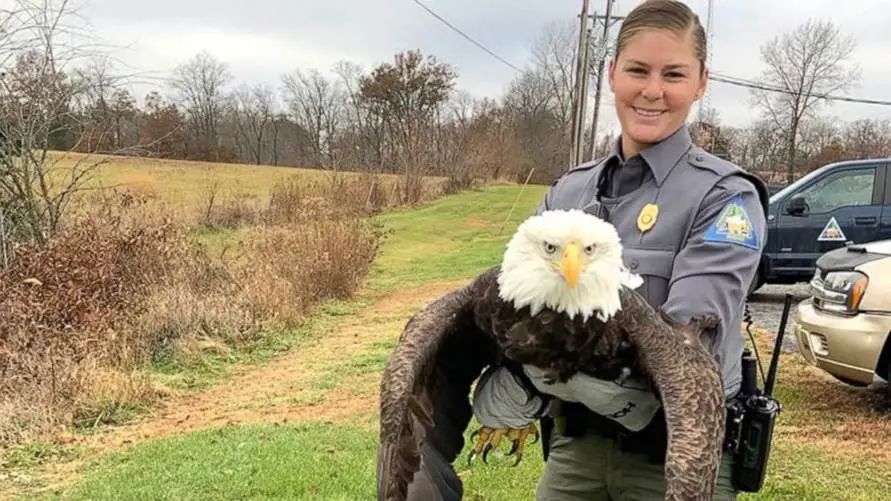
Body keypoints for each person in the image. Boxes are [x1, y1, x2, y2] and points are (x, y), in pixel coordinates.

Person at [473, 0, 769, 499]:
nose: (653, 91)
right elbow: (519, 315)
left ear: (700, 83)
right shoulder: (568, 193)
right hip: (576, 452)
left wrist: (552, 373)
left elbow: (686, 347)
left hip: (675, 456)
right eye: (637, 70)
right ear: (612, 74)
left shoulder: (724, 198)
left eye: (673, 74)